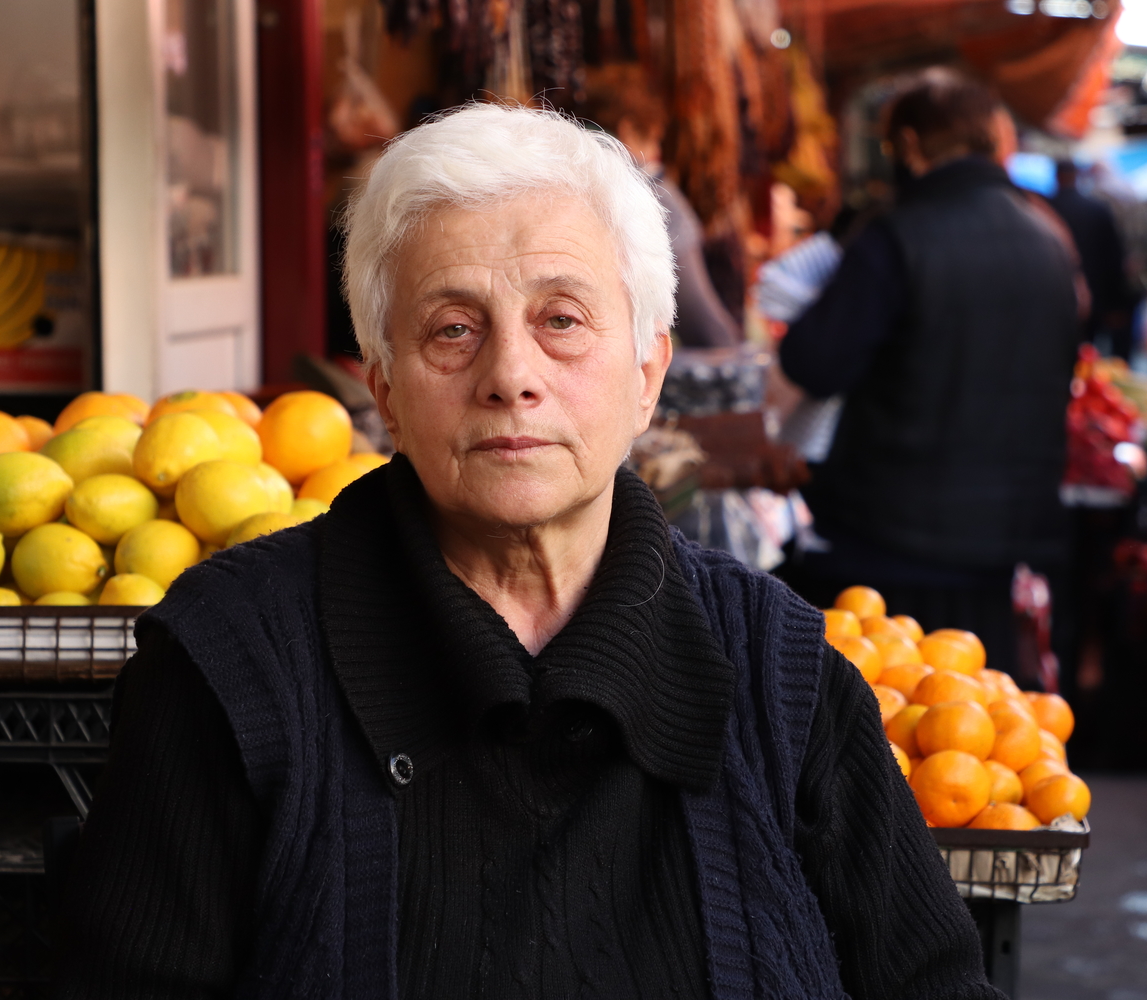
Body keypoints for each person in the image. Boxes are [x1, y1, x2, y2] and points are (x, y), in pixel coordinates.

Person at [52, 104, 1000, 1000]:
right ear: (383, 387)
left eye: (561, 320)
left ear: (647, 372)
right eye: (453, 329)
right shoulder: (231, 662)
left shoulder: (778, 666)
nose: (512, 377)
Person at [777, 67, 1081, 678]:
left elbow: (814, 361)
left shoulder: (897, 237)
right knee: (975, 741)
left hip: (888, 542)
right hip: (1003, 542)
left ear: (911, 147)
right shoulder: (1048, 243)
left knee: (882, 730)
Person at [583, 64, 742, 349]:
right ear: (628, 130)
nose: (658, 152)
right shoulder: (657, 195)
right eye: (653, 138)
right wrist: (734, 353)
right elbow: (702, 321)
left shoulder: (560, 183)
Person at [1049, 160, 1134, 357]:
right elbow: (1114, 259)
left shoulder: (1045, 209)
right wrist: (1116, 304)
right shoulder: (1097, 209)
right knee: (1087, 353)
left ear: (1056, 177)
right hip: (1094, 300)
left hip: (1055, 299)